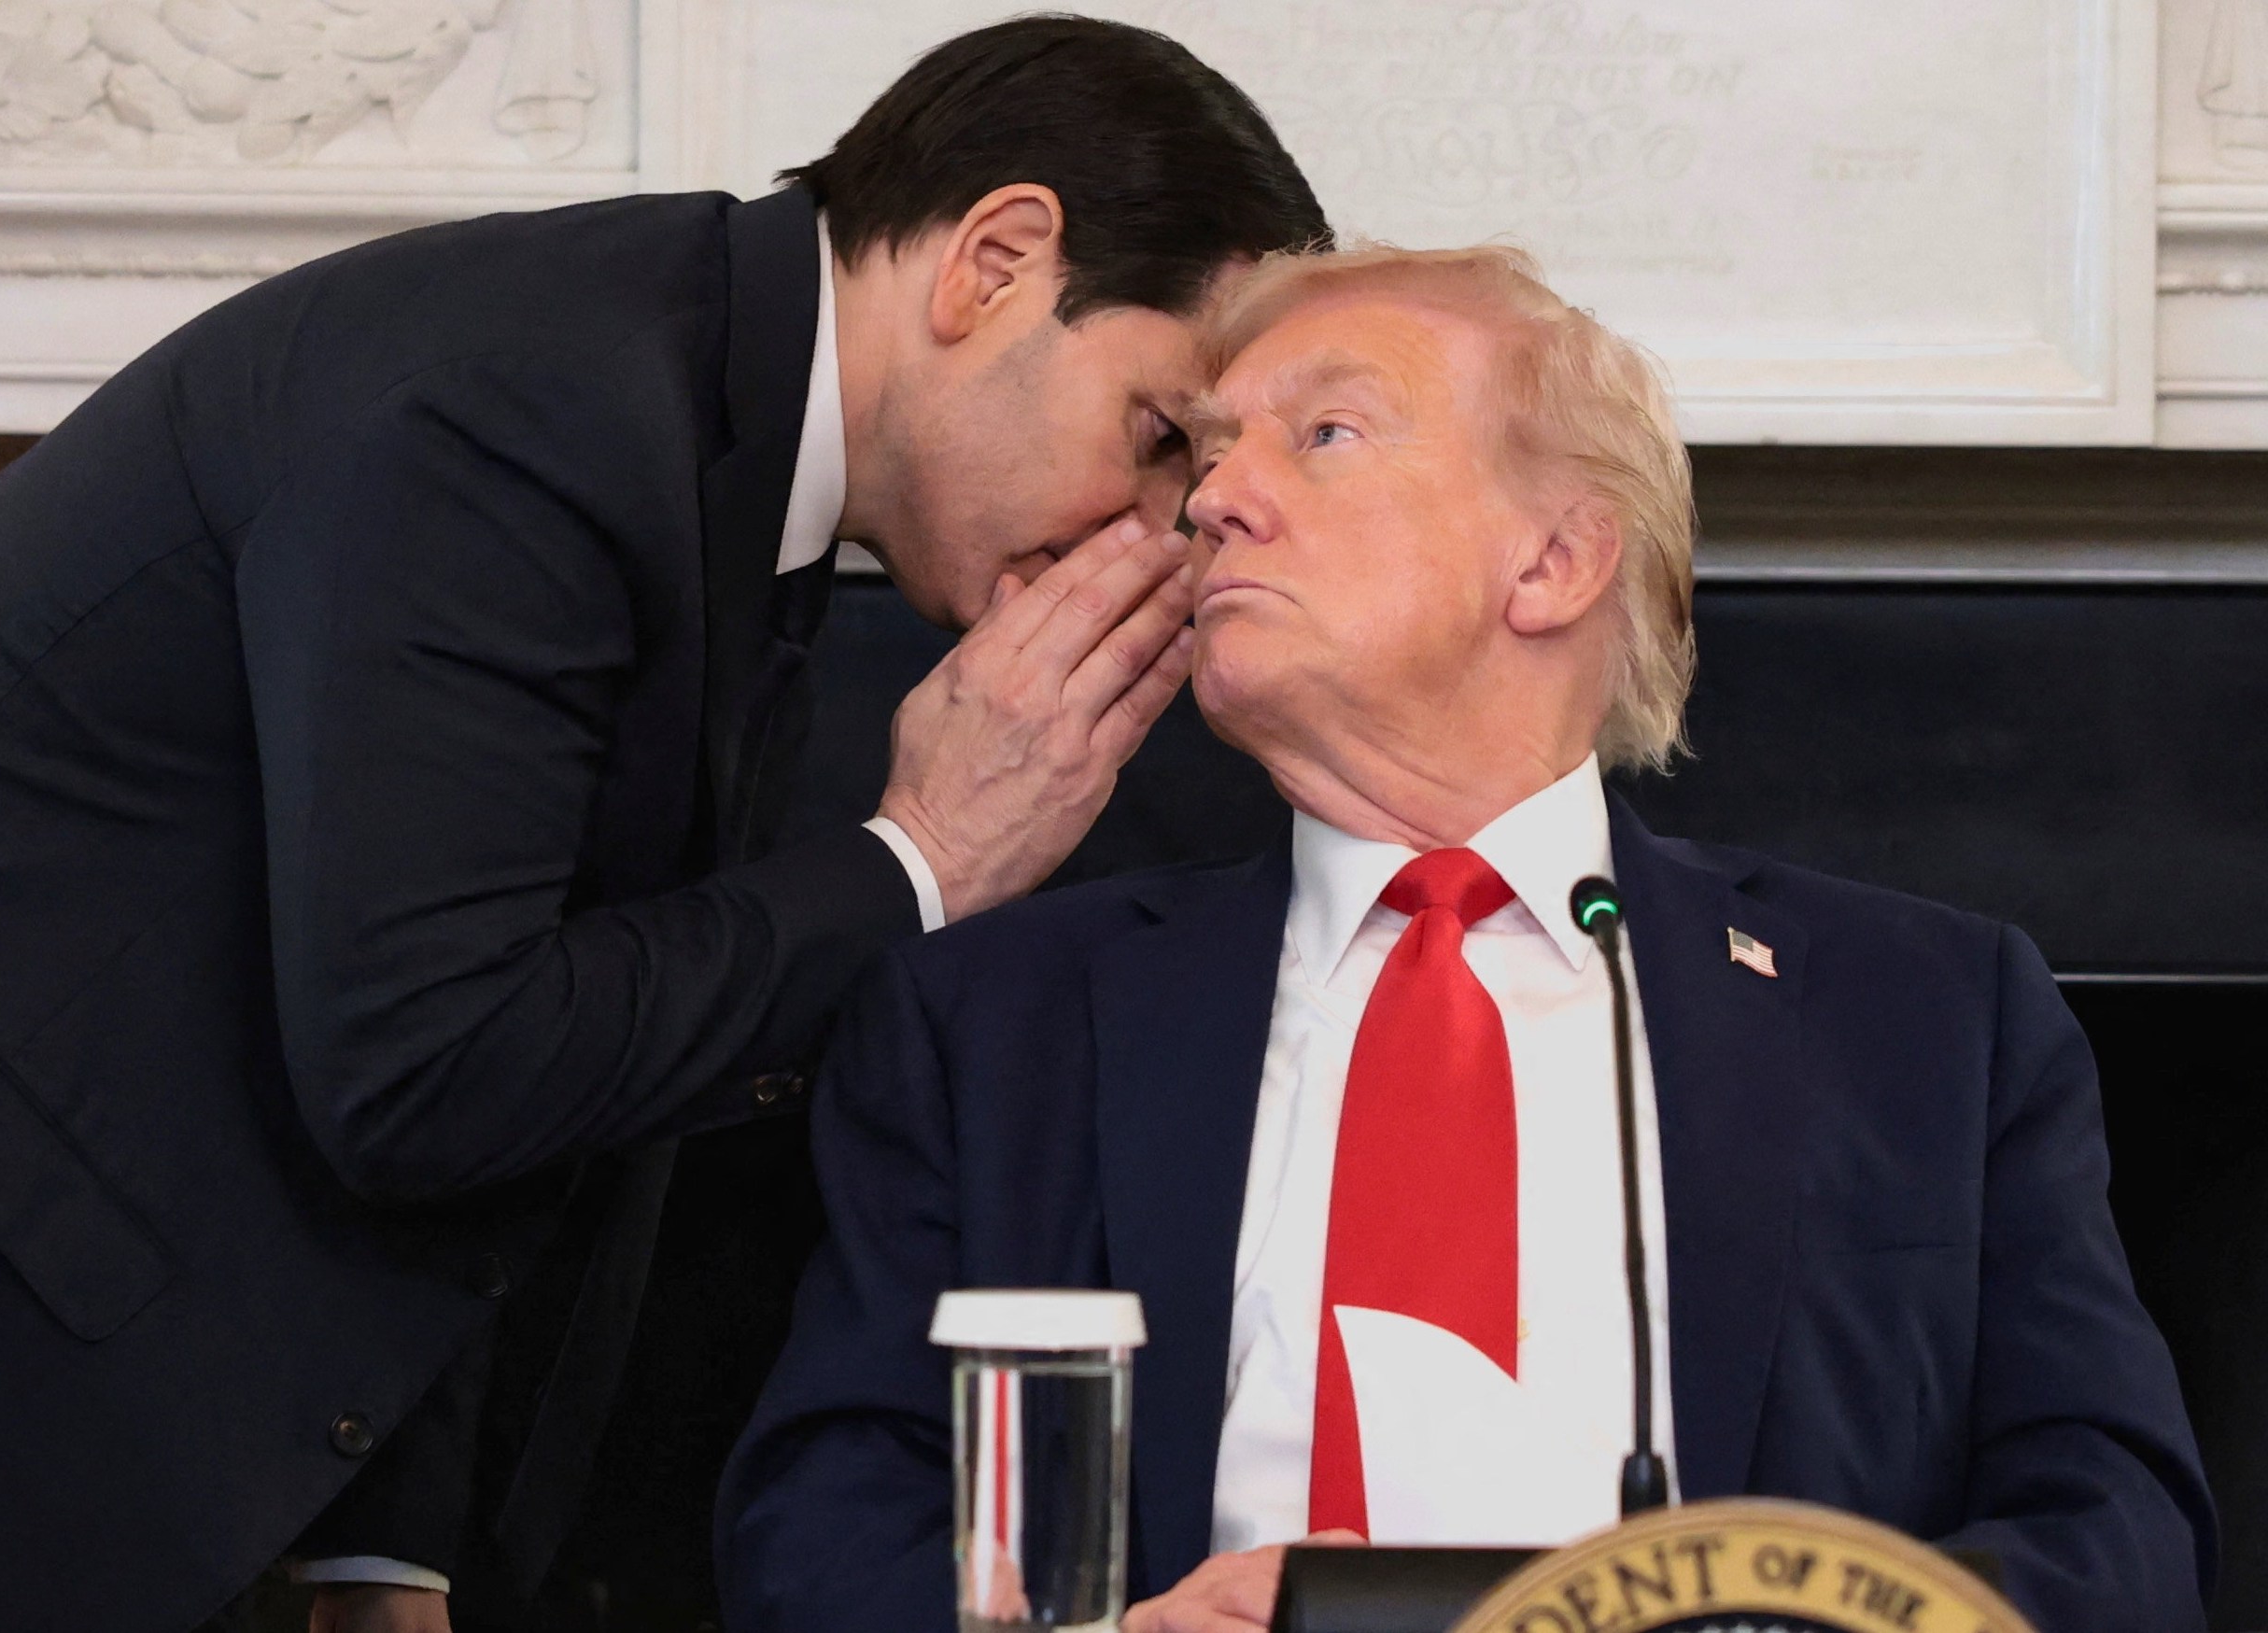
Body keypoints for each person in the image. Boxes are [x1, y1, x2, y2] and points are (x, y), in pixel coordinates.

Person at [0, 19, 1329, 1633]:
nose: (1158, 534)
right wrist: (921, 860)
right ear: (997, 261)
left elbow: (520, 987)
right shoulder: (530, 409)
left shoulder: (703, 404)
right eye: (1157, 438)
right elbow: (426, 1060)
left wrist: (384, 1547)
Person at [716, 245, 2217, 1633]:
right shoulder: (994, 1020)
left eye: (1325, 434)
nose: (1216, 499)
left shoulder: (1928, 1014)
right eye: (1214, 452)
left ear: (1553, 561)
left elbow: (2118, 1531)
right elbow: (814, 1533)